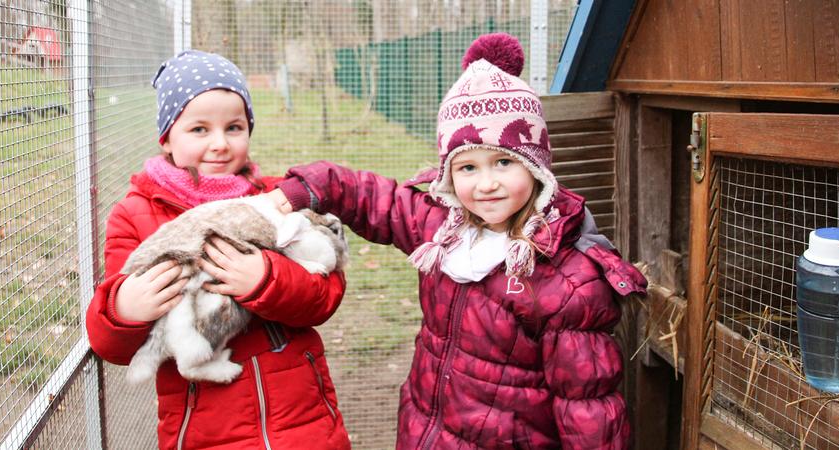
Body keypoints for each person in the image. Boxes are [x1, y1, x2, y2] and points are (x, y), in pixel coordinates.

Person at [267, 34, 647, 449]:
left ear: (537, 167)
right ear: (448, 175)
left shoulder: (566, 281)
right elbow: (372, 197)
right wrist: (306, 190)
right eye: (467, 167)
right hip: (426, 431)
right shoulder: (442, 228)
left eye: (504, 162)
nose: (486, 184)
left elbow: (587, 408)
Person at [85, 50, 351, 449]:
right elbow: (110, 344)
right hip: (205, 430)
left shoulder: (275, 199)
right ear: (167, 137)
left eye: (234, 127)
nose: (220, 144)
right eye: (199, 130)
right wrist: (125, 311)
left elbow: (325, 294)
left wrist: (266, 280)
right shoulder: (136, 215)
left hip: (303, 424)